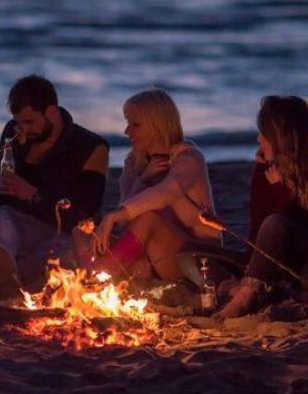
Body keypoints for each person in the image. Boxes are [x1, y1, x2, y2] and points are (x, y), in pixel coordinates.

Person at [0, 75, 108, 298]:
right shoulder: (14, 131)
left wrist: (33, 195)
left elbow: (84, 211)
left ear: (51, 112)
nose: (22, 128)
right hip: (8, 219)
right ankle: (1, 268)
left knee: (55, 257)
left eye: (29, 122)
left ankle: (5, 278)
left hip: (53, 227)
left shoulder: (90, 147)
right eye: (18, 121)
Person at [214, 96, 308, 318]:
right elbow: (258, 230)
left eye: (265, 134)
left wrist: (280, 189)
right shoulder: (264, 170)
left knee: (276, 224)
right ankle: (248, 287)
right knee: (190, 252)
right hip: (274, 263)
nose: (259, 139)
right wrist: (250, 271)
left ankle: (243, 298)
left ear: (283, 138)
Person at [90, 89, 220, 281]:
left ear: (156, 126)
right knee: (82, 233)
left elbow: (166, 192)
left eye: (135, 125)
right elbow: (125, 221)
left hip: (197, 260)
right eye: (128, 123)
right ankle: (92, 278)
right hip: (152, 253)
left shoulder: (189, 158)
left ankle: (95, 277)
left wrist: (113, 216)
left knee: (148, 219)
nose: (127, 131)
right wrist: (142, 179)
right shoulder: (133, 163)